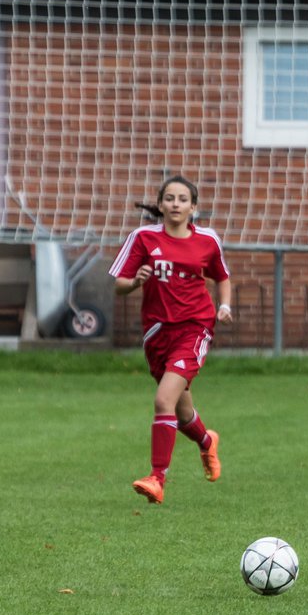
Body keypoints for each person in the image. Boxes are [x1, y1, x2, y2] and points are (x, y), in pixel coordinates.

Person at [109, 175, 232, 505]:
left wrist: (224, 306)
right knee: (180, 411)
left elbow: (222, 276)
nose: (176, 204)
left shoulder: (206, 240)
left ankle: (157, 478)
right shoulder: (143, 238)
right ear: (161, 205)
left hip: (195, 328)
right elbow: (119, 284)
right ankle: (206, 441)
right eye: (169, 198)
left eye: (182, 199)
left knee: (164, 400)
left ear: (193, 207)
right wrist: (135, 281)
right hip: (157, 333)